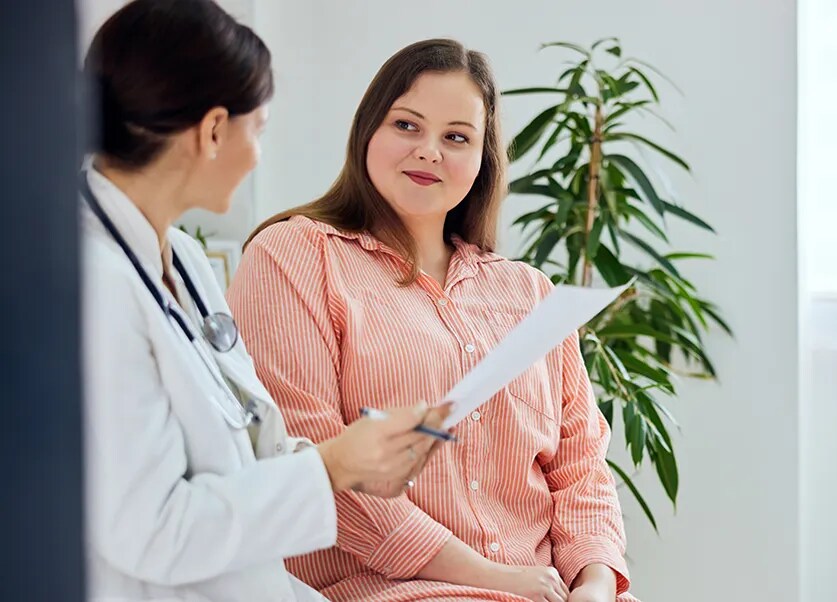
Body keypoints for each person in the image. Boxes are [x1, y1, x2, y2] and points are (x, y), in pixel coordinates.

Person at [227, 39, 638, 602]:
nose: (429, 152)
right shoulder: (294, 256)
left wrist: (593, 583)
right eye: (406, 125)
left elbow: (581, 469)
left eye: (456, 137)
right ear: (368, 129)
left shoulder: (529, 292)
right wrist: (494, 578)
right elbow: (313, 461)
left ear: (482, 160)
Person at [81, 3, 449, 601]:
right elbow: (155, 534)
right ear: (215, 131)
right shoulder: (94, 287)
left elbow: (246, 438)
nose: (257, 154)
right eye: (260, 130)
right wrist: (330, 467)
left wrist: (350, 460)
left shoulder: (183, 259)